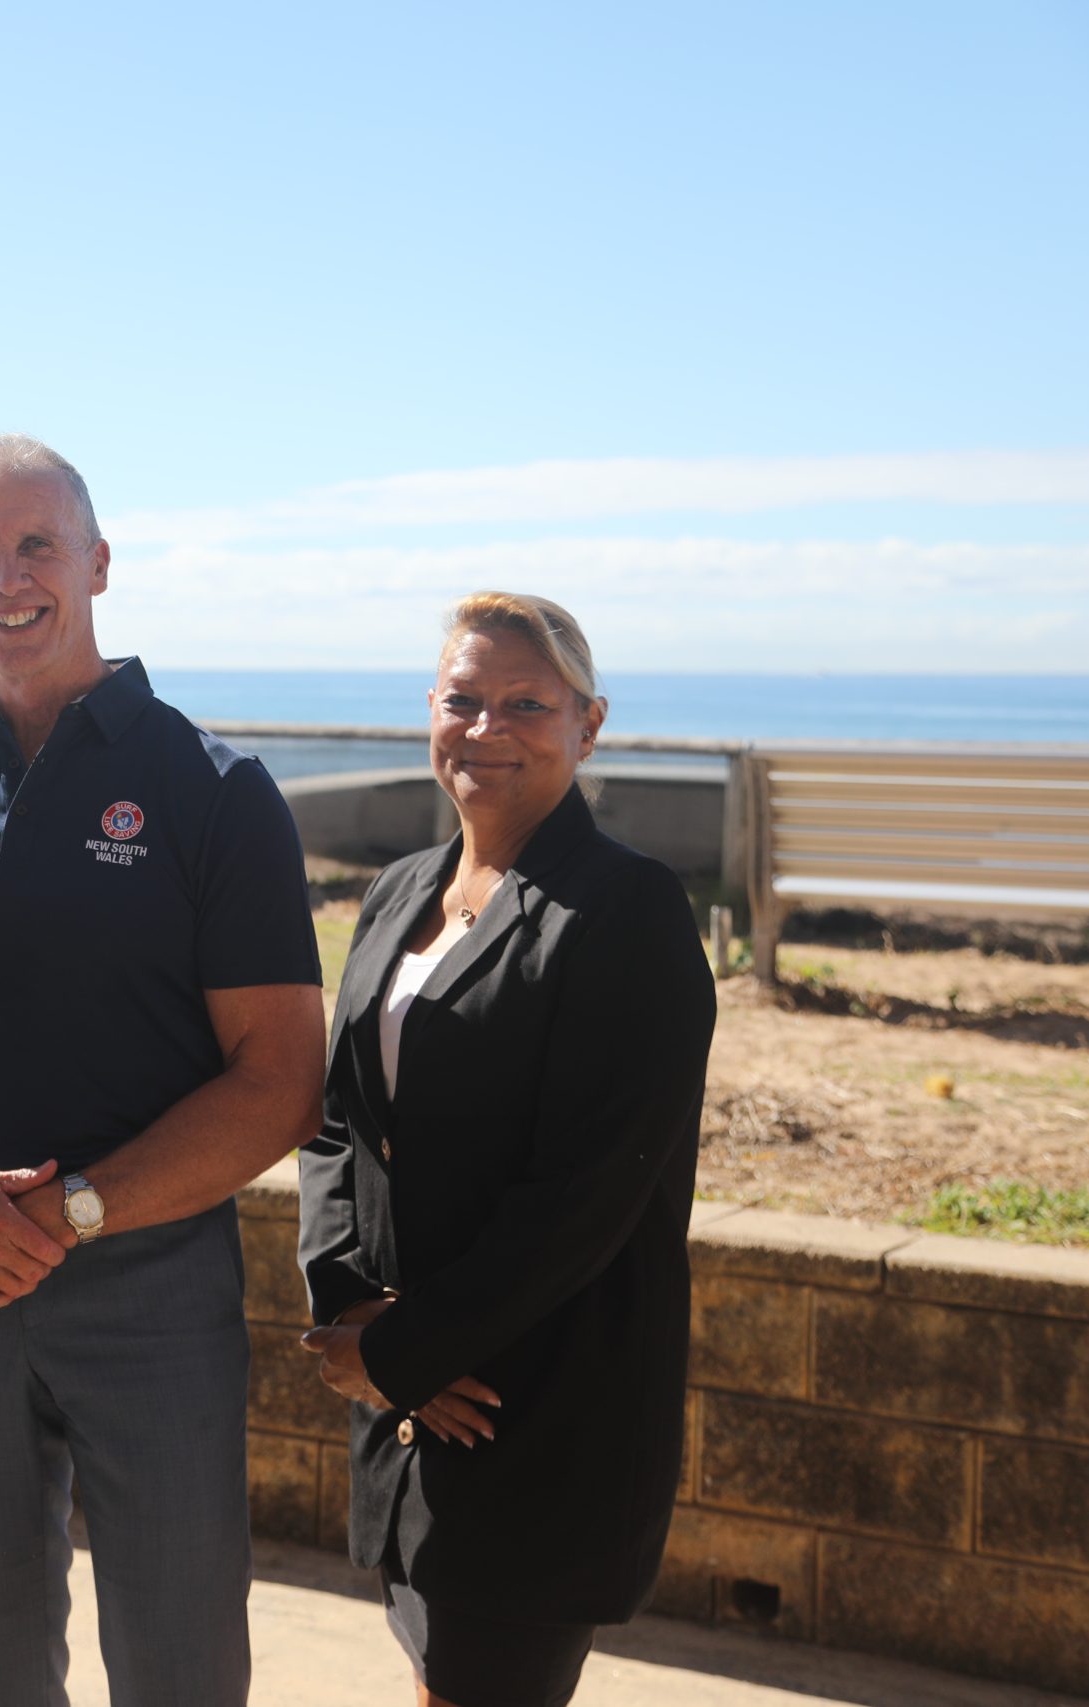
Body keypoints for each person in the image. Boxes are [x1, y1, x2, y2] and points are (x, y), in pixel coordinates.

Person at [0, 434, 325, 1706]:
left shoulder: (212, 791)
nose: (9, 576)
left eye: (37, 544)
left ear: (97, 562)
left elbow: (279, 1078)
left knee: (178, 1655)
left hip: (146, 1283)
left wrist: (76, 1208)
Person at [295, 593, 716, 1707]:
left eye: (525, 704)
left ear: (589, 723)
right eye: (462, 701)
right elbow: (338, 1121)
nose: (487, 729)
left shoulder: (624, 912)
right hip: (411, 1407)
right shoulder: (397, 894)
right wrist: (349, 1316)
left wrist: (406, 1352)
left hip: (534, 1411)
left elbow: (588, 1195)